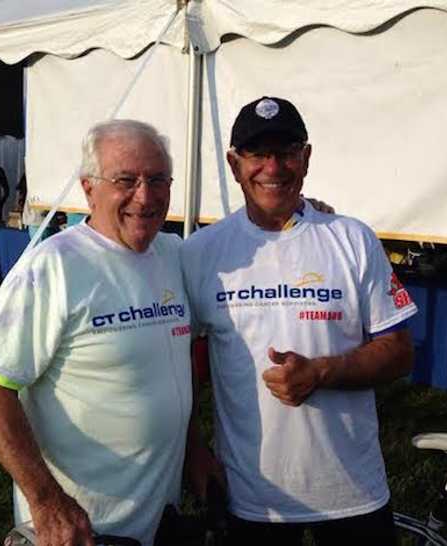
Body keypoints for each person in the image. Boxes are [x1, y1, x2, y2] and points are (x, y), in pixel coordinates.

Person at [181, 96, 418, 545]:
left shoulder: (352, 238)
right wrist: (193, 450)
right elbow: (185, 365)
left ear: (306, 158)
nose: (273, 167)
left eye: (286, 151)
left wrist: (321, 372)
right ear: (234, 164)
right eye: (256, 154)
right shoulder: (200, 253)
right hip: (253, 498)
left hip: (353, 492)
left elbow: (400, 351)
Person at [0, 120, 192, 546]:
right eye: (125, 180)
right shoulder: (52, 266)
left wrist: (302, 215)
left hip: (161, 518)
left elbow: (173, 370)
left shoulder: (175, 254)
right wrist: (46, 502)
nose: (145, 196)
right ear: (89, 188)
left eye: (158, 179)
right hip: (83, 528)